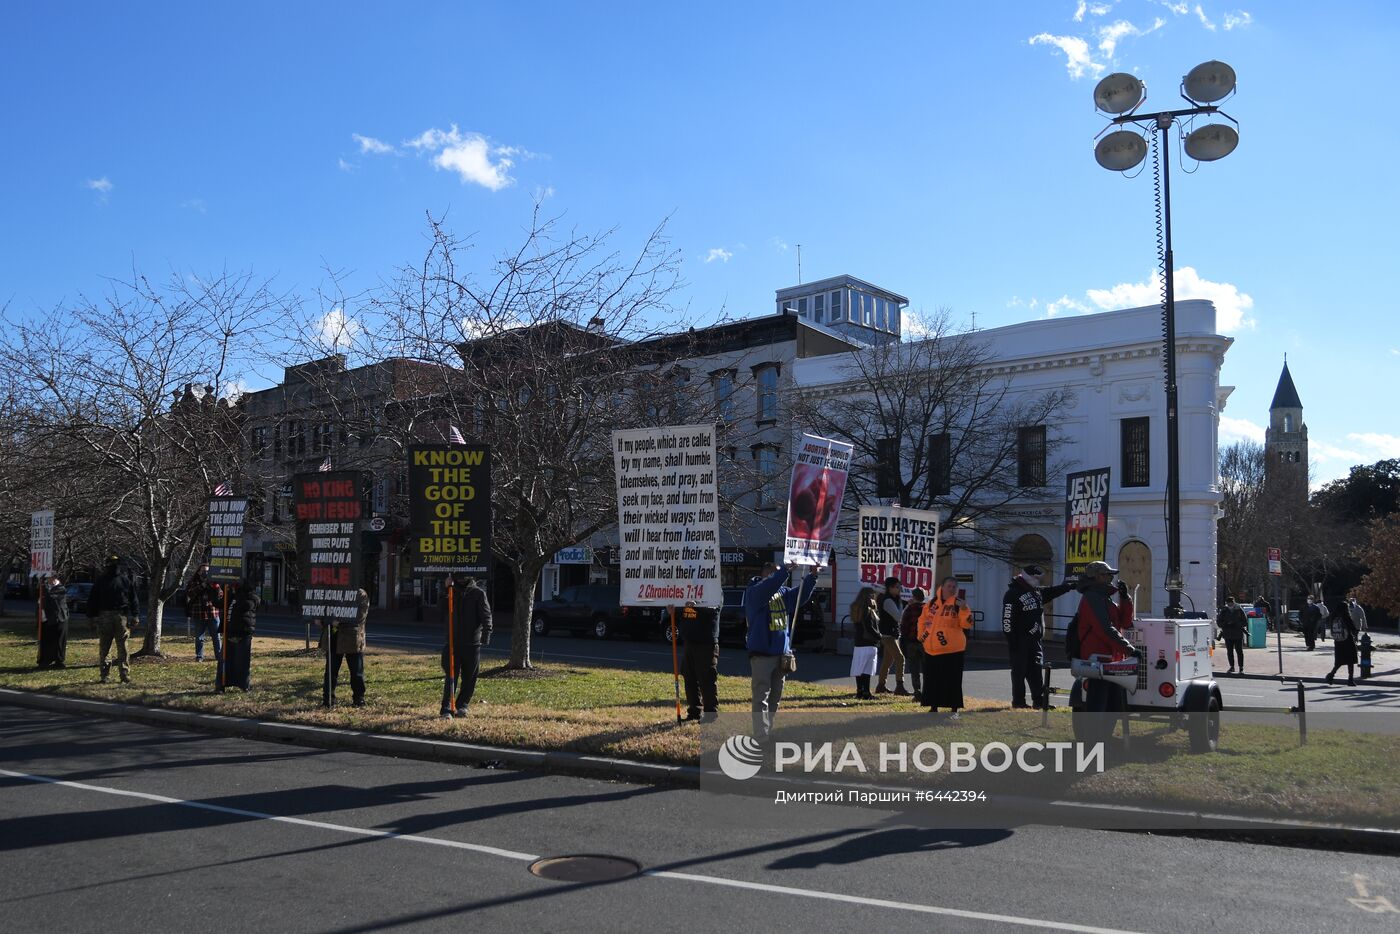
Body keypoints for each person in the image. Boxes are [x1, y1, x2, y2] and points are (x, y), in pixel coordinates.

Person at [743, 562, 818, 741]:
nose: (781, 579)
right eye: (775, 574)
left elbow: (800, 596)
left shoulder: (783, 593)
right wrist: (783, 571)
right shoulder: (754, 592)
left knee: (775, 697)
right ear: (766, 574)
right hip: (762, 654)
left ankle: (768, 730)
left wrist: (812, 576)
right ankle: (761, 736)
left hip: (780, 655)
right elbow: (768, 587)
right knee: (762, 695)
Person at [1001, 565, 1077, 709]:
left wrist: (1069, 586)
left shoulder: (1035, 592)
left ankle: (1039, 700)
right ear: (1027, 577)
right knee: (1019, 671)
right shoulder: (1012, 593)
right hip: (1019, 640)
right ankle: (1018, 702)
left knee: (1036, 670)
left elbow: (1050, 592)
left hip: (1035, 640)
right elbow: (1007, 620)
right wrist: (1012, 641)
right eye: (1035, 578)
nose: (1038, 581)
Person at [1070, 560, 1140, 716]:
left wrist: (1125, 598)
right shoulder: (1092, 597)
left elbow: (1125, 623)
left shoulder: (1104, 597)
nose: (1110, 577)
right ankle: (1094, 738)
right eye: (1106, 574)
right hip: (1098, 660)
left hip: (1110, 660)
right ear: (1096, 577)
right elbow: (1105, 629)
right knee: (1098, 705)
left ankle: (1104, 738)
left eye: (1110, 574)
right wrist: (1129, 649)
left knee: (1113, 706)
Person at [919, 577, 975, 719]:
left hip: (952, 650)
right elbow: (922, 620)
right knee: (932, 680)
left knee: (953, 681)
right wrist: (921, 637)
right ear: (941, 587)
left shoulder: (959, 604)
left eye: (954, 587)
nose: (952, 589)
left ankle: (954, 709)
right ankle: (933, 707)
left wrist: (963, 610)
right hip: (931, 650)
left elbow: (967, 624)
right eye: (949, 586)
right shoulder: (931, 603)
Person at [441, 576, 492, 717]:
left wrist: (486, 634)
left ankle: (462, 705)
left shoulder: (478, 594)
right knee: (451, 676)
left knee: (469, 678)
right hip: (452, 642)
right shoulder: (451, 591)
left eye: (465, 575)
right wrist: (446, 589)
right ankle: (446, 708)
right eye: (460, 575)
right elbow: (441, 609)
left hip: (472, 643)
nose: (461, 578)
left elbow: (486, 615)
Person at [87, 555, 141, 683]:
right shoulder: (125, 580)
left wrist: (91, 617)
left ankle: (105, 676)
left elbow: (92, 600)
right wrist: (135, 615)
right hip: (121, 617)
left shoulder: (100, 581)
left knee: (105, 647)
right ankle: (124, 675)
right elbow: (134, 599)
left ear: (107, 565)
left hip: (104, 616)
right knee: (123, 647)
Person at [324, 588, 369, 707]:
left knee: (356, 671)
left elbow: (360, 617)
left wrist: (338, 620)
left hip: (353, 638)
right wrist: (327, 621)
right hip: (334, 636)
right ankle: (328, 699)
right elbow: (323, 612)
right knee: (331, 670)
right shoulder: (332, 593)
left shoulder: (360, 594)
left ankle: (359, 699)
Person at [676, 599, 720, 722]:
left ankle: (711, 713)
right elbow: (682, 612)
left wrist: (697, 607)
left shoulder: (713, 590)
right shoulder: (687, 590)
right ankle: (694, 711)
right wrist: (675, 610)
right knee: (689, 676)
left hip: (705, 641)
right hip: (689, 640)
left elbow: (713, 609)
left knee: (706, 678)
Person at [222, 578, 260, 692]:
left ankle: (243, 684)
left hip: (242, 631)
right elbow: (220, 603)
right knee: (227, 658)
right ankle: (224, 682)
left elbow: (246, 605)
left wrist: (235, 593)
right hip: (231, 630)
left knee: (242, 660)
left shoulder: (250, 598)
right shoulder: (234, 597)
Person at [875, 576, 909, 695]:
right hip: (887, 635)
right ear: (890, 588)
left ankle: (881, 685)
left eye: (900, 587)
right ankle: (899, 686)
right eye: (897, 587)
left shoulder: (894, 599)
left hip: (892, 633)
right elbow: (899, 617)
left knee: (887, 661)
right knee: (900, 658)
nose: (899, 589)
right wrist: (906, 605)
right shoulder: (888, 601)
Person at [848, 587, 881, 700]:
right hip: (869, 642)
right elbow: (870, 628)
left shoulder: (856, 609)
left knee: (859, 668)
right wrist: (879, 636)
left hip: (859, 643)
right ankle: (866, 692)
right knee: (867, 669)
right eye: (873, 596)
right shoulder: (868, 611)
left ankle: (859, 691)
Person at [186, 564, 223, 663]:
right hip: (199, 612)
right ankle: (199, 656)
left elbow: (220, 595)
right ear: (198, 572)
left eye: (207, 571)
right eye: (203, 571)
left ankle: (219, 655)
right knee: (199, 637)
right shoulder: (193, 582)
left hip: (212, 612)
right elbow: (190, 593)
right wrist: (202, 585)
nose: (205, 573)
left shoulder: (214, 582)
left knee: (216, 636)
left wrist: (215, 587)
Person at [899, 587, 927, 701]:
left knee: (914, 669)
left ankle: (917, 692)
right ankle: (927, 692)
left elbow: (904, 625)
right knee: (926, 669)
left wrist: (904, 639)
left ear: (913, 597)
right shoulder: (927, 609)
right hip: (925, 643)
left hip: (911, 642)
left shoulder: (910, 609)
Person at [37, 574, 70, 669]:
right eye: (47, 578)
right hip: (46, 618)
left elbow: (52, 599)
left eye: (51, 578)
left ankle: (59, 660)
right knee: (46, 640)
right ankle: (45, 660)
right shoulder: (45, 587)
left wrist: (44, 589)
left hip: (60, 618)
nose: (49, 580)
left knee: (59, 640)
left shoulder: (60, 588)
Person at [1326, 597, 1360, 686]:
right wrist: (1356, 632)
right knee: (1350, 660)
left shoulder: (1334, 617)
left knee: (1339, 661)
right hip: (1347, 640)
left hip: (1338, 641)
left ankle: (1331, 675)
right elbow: (1352, 628)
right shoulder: (1345, 616)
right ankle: (1350, 680)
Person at [1216, 595, 1248, 674]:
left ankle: (1241, 668)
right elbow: (1219, 622)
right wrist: (1226, 624)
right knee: (1229, 652)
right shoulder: (1224, 610)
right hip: (1228, 634)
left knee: (1239, 651)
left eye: (1231, 603)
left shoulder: (1239, 610)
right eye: (1229, 603)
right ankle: (1232, 667)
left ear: (1234, 602)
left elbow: (1245, 622)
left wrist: (1236, 624)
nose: (1230, 605)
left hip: (1237, 634)